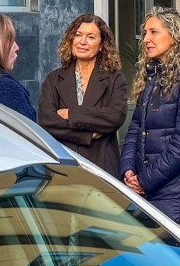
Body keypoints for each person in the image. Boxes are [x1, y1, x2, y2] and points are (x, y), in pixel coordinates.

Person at [118, 7, 180, 232]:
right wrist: (128, 171)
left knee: (171, 263)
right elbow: (135, 128)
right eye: (144, 33)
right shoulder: (153, 74)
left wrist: (145, 180)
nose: (146, 39)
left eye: (153, 32)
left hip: (176, 194)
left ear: (175, 35)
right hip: (149, 189)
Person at [38, 14, 128, 177]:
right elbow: (47, 122)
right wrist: (86, 134)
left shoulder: (114, 78)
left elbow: (115, 116)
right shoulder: (54, 79)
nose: (83, 41)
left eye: (91, 37)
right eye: (78, 35)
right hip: (63, 167)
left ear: (101, 45)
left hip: (101, 167)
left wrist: (72, 114)